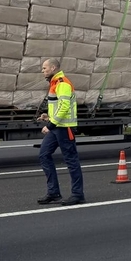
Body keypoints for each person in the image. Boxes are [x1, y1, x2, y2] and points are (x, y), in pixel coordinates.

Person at [36, 58, 85, 205]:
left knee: (71, 160)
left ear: (53, 68)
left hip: (64, 128)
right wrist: (48, 116)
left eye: (44, 68)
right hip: (57, 126)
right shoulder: (55, 83)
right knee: (44, 155)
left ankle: (77, 194)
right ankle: (53, 192)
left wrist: (50, 125)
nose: (42, 70)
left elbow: (64, 107)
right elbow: (59, 107)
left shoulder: (62, 83)